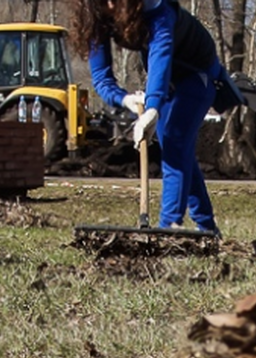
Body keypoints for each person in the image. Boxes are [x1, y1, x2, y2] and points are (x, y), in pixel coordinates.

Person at [70, 0, 228, 235]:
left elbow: (159, 57)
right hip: (170, 81)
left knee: (175, 141)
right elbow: (102, 78)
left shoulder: (157, 10)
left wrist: (153, 106)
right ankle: (207, 229)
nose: (111, 5)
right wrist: (125, 99)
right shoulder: (96, 17)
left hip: (199, 74)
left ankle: (168, 229)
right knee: (176, 149)